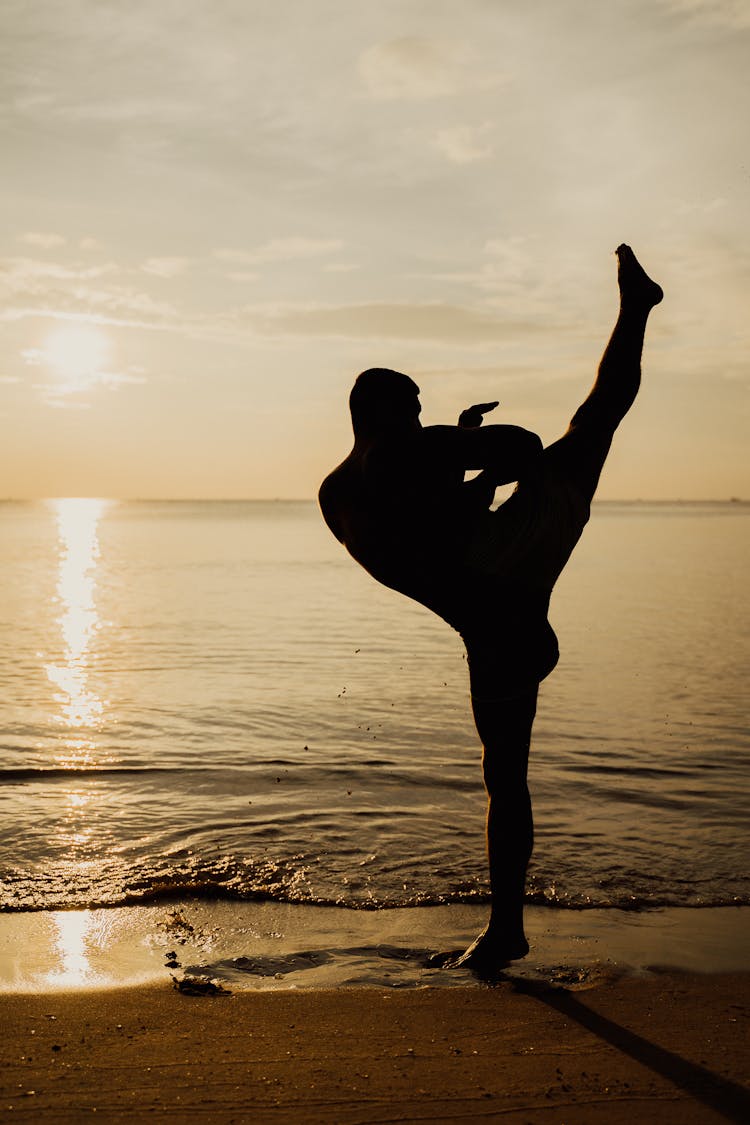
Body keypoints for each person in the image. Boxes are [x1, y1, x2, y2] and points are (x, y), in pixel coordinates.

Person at [318, 244, 663, 973]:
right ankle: (636, 310)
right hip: (511, 570)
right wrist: (467, 445)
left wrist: (457, 467)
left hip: (493, 614)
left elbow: (425, 548)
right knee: (592, 421)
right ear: (380, 410)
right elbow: (519, 444)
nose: (420, 415)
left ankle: (508, 928)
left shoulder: (338, 493)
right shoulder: (400, 455)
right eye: (412, 406)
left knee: (504, 778)